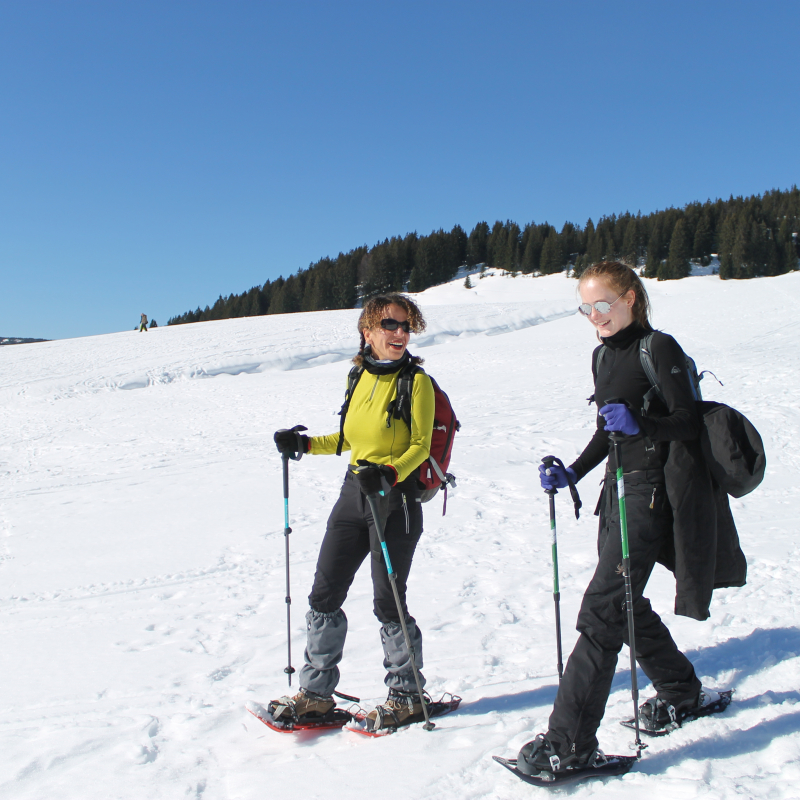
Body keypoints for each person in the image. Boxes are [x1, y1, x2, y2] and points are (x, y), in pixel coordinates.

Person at [517, 261, 729, 775]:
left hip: (652, 494)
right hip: (616, 491)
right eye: (585, 309)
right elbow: (605, 432)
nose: (595, 317)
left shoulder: (658, 348)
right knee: (625, 604)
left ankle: (569, 744)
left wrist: (643, 422)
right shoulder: (601, 356)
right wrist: (574, 472)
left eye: (603, 305)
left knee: (602, 611)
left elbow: (685, 423)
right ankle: (683, 692)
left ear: (631, 298)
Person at [268, 293, 435, 731]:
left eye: (405, 327)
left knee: (387, 600)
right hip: (353, 492)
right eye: (390, 325)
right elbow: (348, 439)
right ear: (368, 332)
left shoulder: (416, 382)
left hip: (394, 498)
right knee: (324, 593)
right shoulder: (357, 376)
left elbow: (420, 446)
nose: (400, 333)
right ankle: (316, 695)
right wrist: (304, 444)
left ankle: (407, 695)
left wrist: (391, 473)